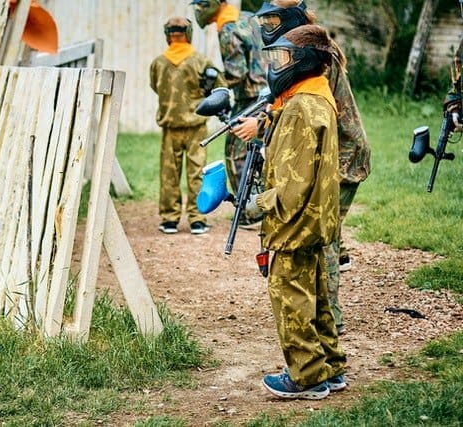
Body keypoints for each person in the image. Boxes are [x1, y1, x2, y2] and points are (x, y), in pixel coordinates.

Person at [232, 0, 372, 334]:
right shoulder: (299, 47)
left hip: (340, 158)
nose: (269, 25)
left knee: (321, 241)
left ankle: (328, 324)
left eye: (274, 18)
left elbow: (307, 109)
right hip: (325, 152)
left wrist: (262, 125)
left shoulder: (316, 53)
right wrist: (263, 120)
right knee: (321, 237)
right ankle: (322, 317)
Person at [241, 24, 347, 400]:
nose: (277, 66)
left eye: (283, 58)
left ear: (302, 62)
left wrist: (259, 204)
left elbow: (293, 181)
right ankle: (330, 367)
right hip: (317, 217)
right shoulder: (317, 98)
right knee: (316, 290)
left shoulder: (302, 107)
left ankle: (306, 375)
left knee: (290, 292)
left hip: (296, 220)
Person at [190, 0, 267, 228]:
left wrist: (213, 84)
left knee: (236, 153)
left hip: (250, 99)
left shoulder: (228, 29)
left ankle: (251, 212)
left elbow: (237, 74)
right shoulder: (248, 18)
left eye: (201, 4)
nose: (198, 10)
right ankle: (263, 203)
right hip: (268, 95)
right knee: (262, 151)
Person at [150, 16, 226, 235]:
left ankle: (169, 220)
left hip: (170, 126)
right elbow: (219, 89)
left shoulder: (158, 62)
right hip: (196, 127)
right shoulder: (201, 61)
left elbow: (155, 86)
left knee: (169, 174)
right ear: (189, 34)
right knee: (196, 173)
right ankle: (197, 219)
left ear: (168, 35)